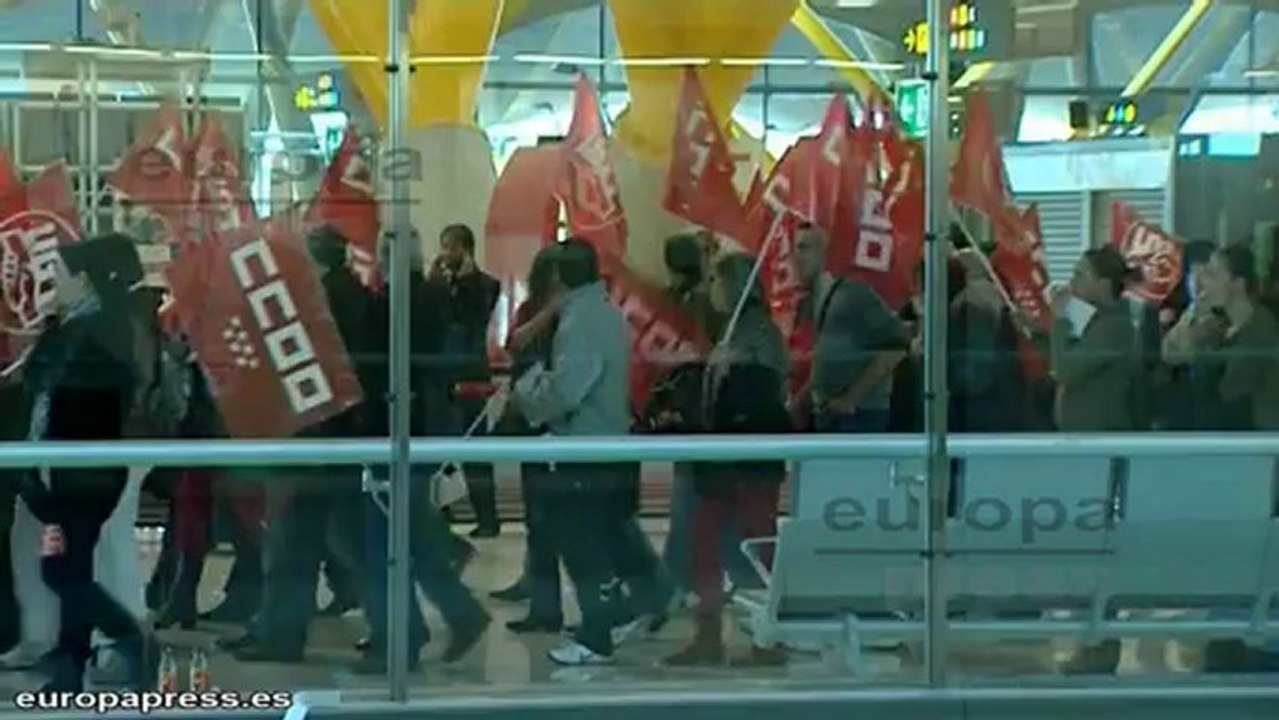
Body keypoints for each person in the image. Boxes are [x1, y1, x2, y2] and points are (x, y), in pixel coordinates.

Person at [18, 233, 155, 691]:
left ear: (86, 280)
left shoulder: (99, 335)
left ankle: (126, 637)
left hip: (84, 472)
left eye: (60, 275)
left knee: (63, 569)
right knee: (70, 565)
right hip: (72, 468)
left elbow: (72, 406)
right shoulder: (80, 327)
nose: (53, 283)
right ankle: (71, 662)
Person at [230, 225, 372, 664]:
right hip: (331, 436)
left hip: (311, 434)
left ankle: (280, 634)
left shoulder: (322, 303)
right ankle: (276, 627)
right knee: (313, 539)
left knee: (293, 540)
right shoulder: (354, 297)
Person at [513, 238, 640, 666]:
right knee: (602, 540)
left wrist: (528, 386)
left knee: (582, 545)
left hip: (583, 447)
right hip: (605, 444)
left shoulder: (580, 321)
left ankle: (596, 635)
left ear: (556, 277)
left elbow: (566, 390)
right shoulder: (602, 311)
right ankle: (618, 614)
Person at [664, 252, 790, 667]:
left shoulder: (759, 333)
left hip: (749, 460)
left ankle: (769, 637)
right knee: (705, 546)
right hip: (720, 458)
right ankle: (708, 634)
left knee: (759, 547)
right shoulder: (731, 331)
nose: (710, 290)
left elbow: (764, 398)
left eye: (716, 281)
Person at [1048, 246, 1141, 675]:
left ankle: (1102, 640)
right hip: (1084, 449)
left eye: (1081, 274)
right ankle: (1095, 635)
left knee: (1101, 546)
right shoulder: (1100, 324)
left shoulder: (1115, 328)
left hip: (1102, 450)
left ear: (1104, 284)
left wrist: (1059, 322)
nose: (1073, 283)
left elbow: (1067, 368)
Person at [493, 247, 567, 633]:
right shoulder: (537, 313)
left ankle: (545, 602)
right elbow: (516, 344)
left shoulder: (575, 317)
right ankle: (541, 596)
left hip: (559, 424)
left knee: (551, 520)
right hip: (533, 420)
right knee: (538, 516)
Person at [791, 223, 909, 432]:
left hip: (860, 417)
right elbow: (827, 359)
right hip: (829, 415)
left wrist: (851, 398)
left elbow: (896, 348)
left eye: (804, 248)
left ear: (825, 253)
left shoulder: (852, 294)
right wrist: (803, 401)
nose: (796, 258)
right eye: (795, 248)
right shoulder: (816, 300)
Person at [427, 224, 502, 538]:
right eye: (443, 246)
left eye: (452, 247)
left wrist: (465, 281)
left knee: (475, 451)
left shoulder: (485, 285)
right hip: (440, 373)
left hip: (470, 374)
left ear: (466, 249)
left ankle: (487, 517)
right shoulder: (436, 284)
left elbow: (474, 314)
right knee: (435, 449)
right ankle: (437, 516)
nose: (446, 253)